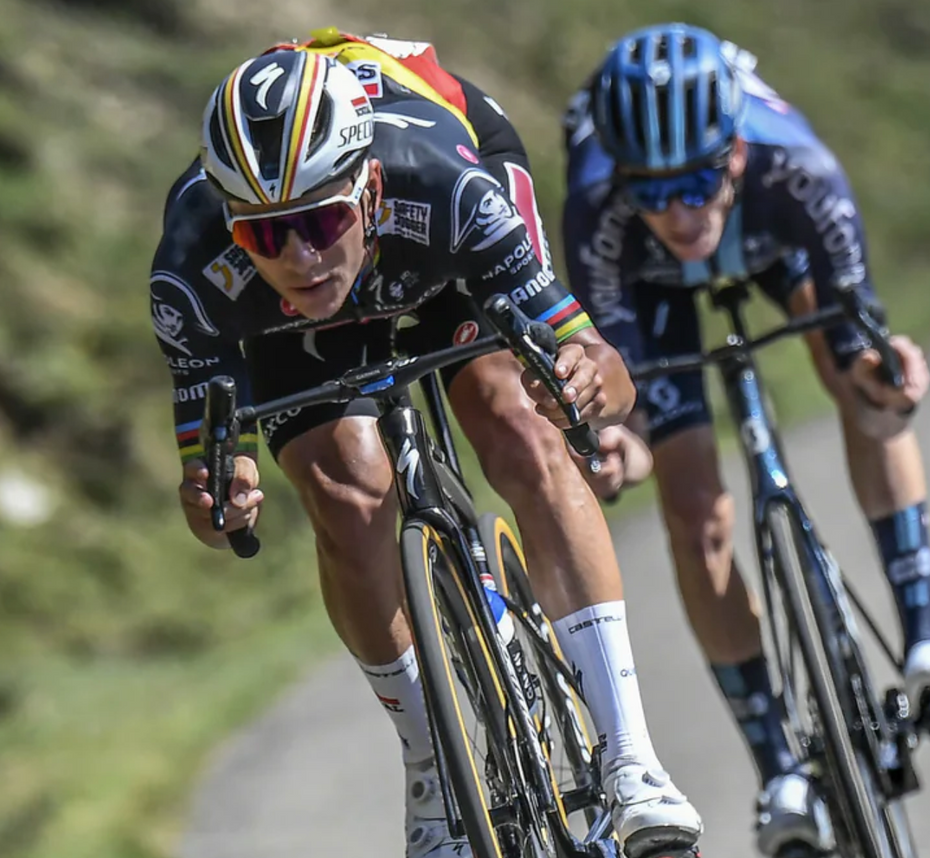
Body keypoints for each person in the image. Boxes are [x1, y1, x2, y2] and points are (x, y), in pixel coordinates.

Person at [148, 28, 703, 858]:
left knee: (520, 423)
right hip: (295, 324)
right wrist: (218, 496)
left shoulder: (446, 189)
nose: (301, 256)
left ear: (365, 189)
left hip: (435, 240)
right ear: (232, 223)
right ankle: (434, 777)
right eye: (267, 236)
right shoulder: (192, 272)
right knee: (343, 491)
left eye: (322, 221)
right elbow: (213, 481)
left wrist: (586, 385)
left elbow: (606, 378)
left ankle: (635, 763)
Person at [556, 23, 930, 857]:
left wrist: (885, 377)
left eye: (699, 183)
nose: (679, 214)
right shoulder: (599, 213)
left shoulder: (799, 170)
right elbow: (624, 398)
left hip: (772, 237)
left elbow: (863, 332)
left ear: (736, 158)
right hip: (646, 296)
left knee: (856, 382)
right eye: (655, 191)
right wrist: (623, 448)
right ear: (626, 181)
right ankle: (778, 765)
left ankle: (926, 635)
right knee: (696, 513)